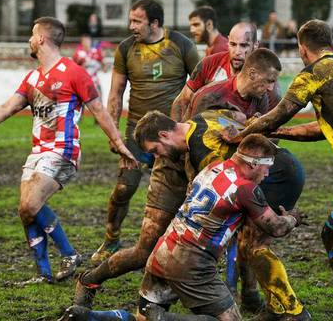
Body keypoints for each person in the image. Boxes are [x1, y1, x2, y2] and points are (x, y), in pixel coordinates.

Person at [222, 19, 333, 321]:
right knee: (330, 233)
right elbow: (323, 128)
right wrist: (279, 135)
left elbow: (277, 114)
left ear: (302, 49)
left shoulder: (313, 74)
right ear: (331, 43)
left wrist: (242, 136)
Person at [71, 106, 308, 319]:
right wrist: (293, 218)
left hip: (164, 250)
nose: (157, 157)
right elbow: (275, 227)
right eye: (266, 169)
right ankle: (287, 309)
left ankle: (91, 315)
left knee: (142, 316)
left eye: (155, 150)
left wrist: (244, 132)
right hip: (193, 262)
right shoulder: (238, 181)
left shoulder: (211, 165)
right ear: (255, 165)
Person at [0, 17, 136, 285]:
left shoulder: (74, 72)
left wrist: (119, 145)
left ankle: (70, 255)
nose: (28, 39)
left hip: (63, 149)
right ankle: (44, 274)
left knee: (31, 204)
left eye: (31, 35)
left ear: (41, 39)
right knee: (25, 211)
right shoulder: (33, 78)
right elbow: (7, 107)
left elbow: (99, 111)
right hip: (38, 151)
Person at [185, 48, 309, 319]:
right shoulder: (210, 97)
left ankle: (283, 308)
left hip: (267, 175)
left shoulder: (265, 99)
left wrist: (247, 132)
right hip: (236, 175)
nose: (271, 87)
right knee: (244, 238)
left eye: (274, 82)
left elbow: (266, 148)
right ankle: (254, 299)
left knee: (251, 240)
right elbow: (193, 143)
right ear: (251, 73)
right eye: (267, 81)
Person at [90, 0, 199, 265]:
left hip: (170, 136)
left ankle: (179, 246)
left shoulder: (181, 45)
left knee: (179, 193)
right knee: (124, 188)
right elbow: (115, 95)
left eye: (137, 21)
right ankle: (111, 238)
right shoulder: (126, 48)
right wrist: (113, 134)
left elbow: (200, 85)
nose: (131, 26)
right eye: (131, 20)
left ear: (155, 23)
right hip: (136, 135)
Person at [171, 22, 280, 122]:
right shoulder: (209, 63)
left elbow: (269, 127)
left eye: (243, 45)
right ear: (227, 41)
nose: (237, 52)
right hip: (200, 131)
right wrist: (177, 136)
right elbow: (182, 102)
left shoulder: (266, 83)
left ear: (255, 45)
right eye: (233, 44)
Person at [72, 34, 104, 103]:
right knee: (80, 102)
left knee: (98, 101)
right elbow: (74, 66)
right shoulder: (78, 53)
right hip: (82, 81)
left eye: (88, 41)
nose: (86, 43)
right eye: (85, 41)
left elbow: (102, 64)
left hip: (94, 81)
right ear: (82, 42)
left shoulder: (96, 51)